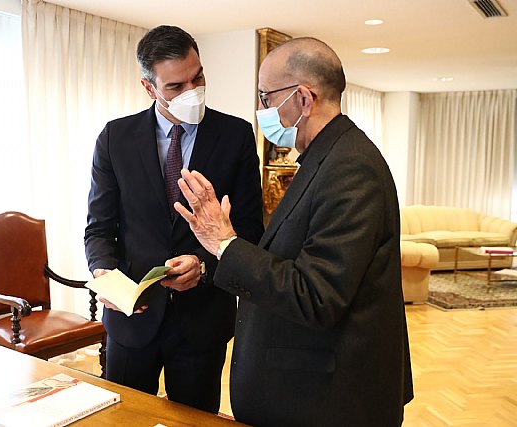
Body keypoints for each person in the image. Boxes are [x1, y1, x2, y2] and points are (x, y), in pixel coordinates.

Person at [174, 37, 414, 426]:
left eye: (266, 97)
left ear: (303, 99)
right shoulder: (326, 157)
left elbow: (318, 295)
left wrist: (225, 243)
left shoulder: (350, 167)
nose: (262, 110)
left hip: (330, 399)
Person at [83, 25, 264, 413]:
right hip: (133, 317)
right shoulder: (114, 139)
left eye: (197, 77)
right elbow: (99, 228)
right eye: (175, 86)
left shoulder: (236, 136)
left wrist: (203, 263)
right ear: (149, 88)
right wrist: (104, 276)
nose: (191, 91)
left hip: (202, 319)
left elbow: (250, 230)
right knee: (126, 420)